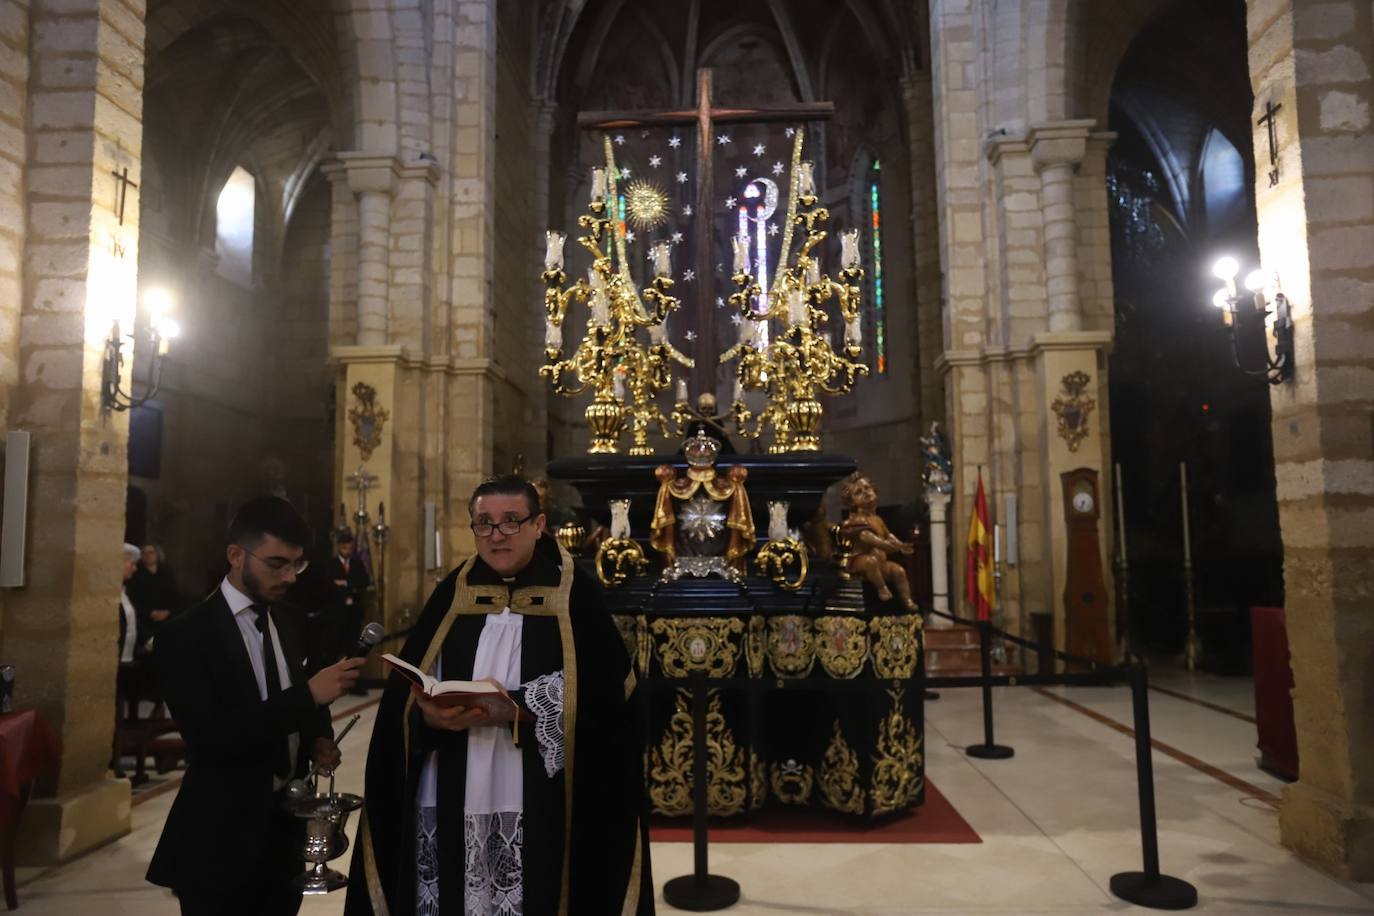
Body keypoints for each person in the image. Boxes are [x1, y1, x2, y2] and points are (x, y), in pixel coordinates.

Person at [345, 474, 652, 916]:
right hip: (453, 773)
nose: (497, 534)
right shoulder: (453, 592)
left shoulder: (575, 597)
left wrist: (522, 707)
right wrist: (426, 717)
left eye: (511, 521)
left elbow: (611, 703)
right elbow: (405, 700)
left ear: (538, 524)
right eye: (484, 523)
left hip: (535, 782)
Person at [146, 496, 366, 916]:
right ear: (235, 555)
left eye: (296, 565)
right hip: (219, 836)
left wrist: (317, 736)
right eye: (276, 563)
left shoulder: (290, 618)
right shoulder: (186, 636)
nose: (288, 576)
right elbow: (211, 738)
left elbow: (300, 700)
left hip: (284, 833)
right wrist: (309, 697)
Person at [327, 529, 371, 661]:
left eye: (351, 548)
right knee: (337, 647)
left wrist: (346, 583)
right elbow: (328, 583)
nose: (348, 551)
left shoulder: (358, 563)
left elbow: (364, 581)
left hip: (354, 612)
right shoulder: (331, 564)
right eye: (345, 548)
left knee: (353, 646)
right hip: (337, 612)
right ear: (339, 547)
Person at [128, 543, 181, 636]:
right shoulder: (135, 574)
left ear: (157, 554)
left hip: (168, 616)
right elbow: (132, 599)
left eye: (151, 552)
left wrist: (168, 611)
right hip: (145, 619)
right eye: (144, 553)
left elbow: (175, 594)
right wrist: (150, 613)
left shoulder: (166, 571)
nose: (148, 555)